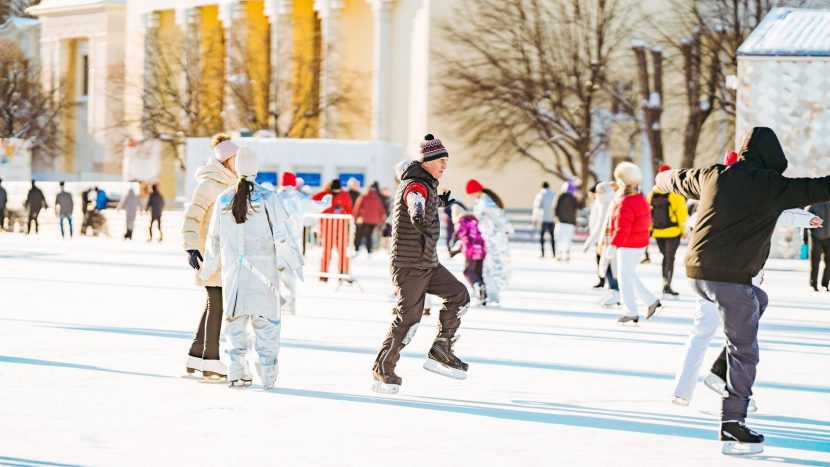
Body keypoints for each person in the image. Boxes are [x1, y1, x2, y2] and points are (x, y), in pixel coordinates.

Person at [656, 127, 830, 455]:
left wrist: (660, 179)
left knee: (757, 300)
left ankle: (720, 368)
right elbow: (821, 186)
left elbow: (673, 179)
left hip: (697, 273)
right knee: (745, 349)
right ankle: (732, 425)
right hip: (730, 278)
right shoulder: (772, 185)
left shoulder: (713, 175)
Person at [372, 134, 471, 394]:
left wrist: (439, 203)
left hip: (428, 262)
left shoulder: (426, 185)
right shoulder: (414, 185)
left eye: (446, 161)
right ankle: (383, 369)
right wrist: (418, 215)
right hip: (409, 264)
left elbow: (426, 200)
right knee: (409, 319)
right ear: (427, 161)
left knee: (459, 295)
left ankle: (442, 348)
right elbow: (415, 202)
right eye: (441, 160)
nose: (444, 166)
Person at [200, 147, 303, 389]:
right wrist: (295, 265)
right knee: (267, 325)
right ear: (255, 168)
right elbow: (284, 235)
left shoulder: (224, 198)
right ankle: (268, 372)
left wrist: (208, 268)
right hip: (264, 275)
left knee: (235, 324)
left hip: (233, 275)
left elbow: (213, 239)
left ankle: (237, 369)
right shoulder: (268, 198)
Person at [180, 132, 239, 380]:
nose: (239, 162)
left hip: (223, 253)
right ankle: (211, 359)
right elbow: (192, 217)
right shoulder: (210, 185)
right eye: (236, 158)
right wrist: (191, 247)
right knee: (218, 303)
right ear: (226, 160)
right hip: (209, 253)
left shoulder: (231, 183)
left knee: (213, 302)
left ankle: (196, 355)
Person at [602, 162, 661, 324]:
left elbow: (622, 228)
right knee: (629, 275)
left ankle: (631, 312)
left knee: (624, 278)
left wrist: (613, 246)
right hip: (638, 242)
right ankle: (651, 301)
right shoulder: (639, 196)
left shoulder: (625, 201)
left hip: (628, 244)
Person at [278, 171, 330, 314]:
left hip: (276, 243)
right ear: (294, 183)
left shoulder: (274, 197)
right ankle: (290, 304)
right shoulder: (299, 198)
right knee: (290, 276)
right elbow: (318, 206)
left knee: (274, 275)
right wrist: (327, 200)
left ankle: (274, 304)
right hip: (294, 243)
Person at [466, 179, 512, 306]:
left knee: (492, 268)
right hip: (487, 238)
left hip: (494, 239)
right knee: (488, 268)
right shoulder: (481, 201)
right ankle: (490, 295)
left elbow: (499, 216)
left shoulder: (485, 202)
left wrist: (508, 229)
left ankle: (493, 296)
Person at [648, 164, 688, 297]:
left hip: (658, 231)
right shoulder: (675, 194)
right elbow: (682, 214)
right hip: (673, 231)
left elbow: (648, 213)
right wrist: (683, 230)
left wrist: (650, 230)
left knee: (665, 257)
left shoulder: (652, 193)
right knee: (669, 258)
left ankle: (665, 281)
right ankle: (667, 284)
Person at [312, 179, 353, 280]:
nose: (336, 192)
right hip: (327, 226)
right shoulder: (323, 194)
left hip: (341, 226)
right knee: (327, 251)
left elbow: (349, 209)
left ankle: (343, 273)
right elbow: (312, 202)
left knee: (342, 250)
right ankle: (323, 274)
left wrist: (346, 215)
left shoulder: (345, 195)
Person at [450, 208, 487, 305]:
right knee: (478, 273)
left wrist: (453, 241)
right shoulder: (475, 221)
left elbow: (460, 234)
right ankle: (483, 296)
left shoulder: (462, 222)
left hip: (471, 250)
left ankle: (478, 288)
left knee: (468, 271)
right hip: (481, 249)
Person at [583, 182, 616, 290]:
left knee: (607, 264)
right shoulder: (611, 199)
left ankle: (614, 289)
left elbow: (600, 224)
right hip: (609, 237)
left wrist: (589, 241)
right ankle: (612, 288)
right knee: (609, 264)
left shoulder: (603, 202)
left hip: (605, 238)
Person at [353, 182, 387, 255]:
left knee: (359, 234)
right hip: (374, 221)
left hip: (363, 220)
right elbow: (381, 210)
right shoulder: (377, 198)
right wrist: (381, 220)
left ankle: (356, 249)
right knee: (369, 235)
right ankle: (369, 250)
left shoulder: (363, 197)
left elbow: (357, 208)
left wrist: (355, 218)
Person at [807, 201, 830, 291]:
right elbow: (804, 221)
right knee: (815, 262)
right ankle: (814, 284)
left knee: (829, 263)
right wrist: (804, 238)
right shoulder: (813, 204)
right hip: (815, 237)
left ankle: (825, 283)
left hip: (829, 237)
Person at [554, 181, 579, 260]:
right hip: (570, 222)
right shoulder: (573, 198)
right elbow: (578, 207)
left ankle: (559, 253)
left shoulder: (559, 196)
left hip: (561, 221)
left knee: (559, 238)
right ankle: (566, 252)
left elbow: (555, 208)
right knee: (567, 239)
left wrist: (557, 217)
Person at [531, 182, 556, 258]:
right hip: (552, 219)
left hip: (543, 219)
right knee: (553, 237)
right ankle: (554, 253)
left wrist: (535, 218)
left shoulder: (540, 195)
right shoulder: (553, 195)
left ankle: (542, 253)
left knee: (542, 237)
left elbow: (537, 207)